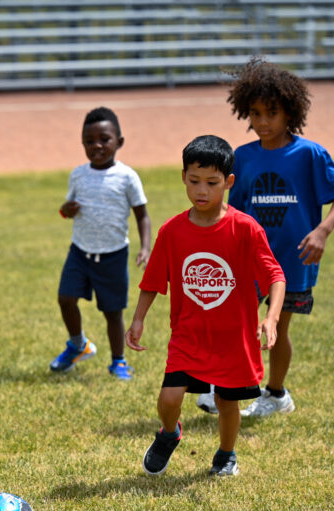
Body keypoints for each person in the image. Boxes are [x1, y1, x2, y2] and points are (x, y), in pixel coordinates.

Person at [196, 57, 334, 416]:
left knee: (279, 329)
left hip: (294, 260)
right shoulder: (243, 157)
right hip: (249, 258)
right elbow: (231, 208)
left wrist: (322, 232)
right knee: (232, 322)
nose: (263, 122)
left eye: (272, 113)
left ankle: (276, 395)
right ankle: (222, 385)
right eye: (255, 113)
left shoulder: (310, 154)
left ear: (290, 112)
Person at [126, 135, 285, 477]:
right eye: (194, 181)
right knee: (170, 398)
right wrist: (138, 319)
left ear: (229, 182)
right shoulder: (172, 231)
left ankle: (226, 454)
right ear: (183, 176)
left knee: (228, 403)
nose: (202, 190)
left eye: (212, 183)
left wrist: (271, 319)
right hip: (189, 335)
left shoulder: (245, 228)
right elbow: (152, 281)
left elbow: (275, 276)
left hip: (233, 339)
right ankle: (169, 434)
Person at [52, 107, 152, 380]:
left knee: (112, 312)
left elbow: (142, 214)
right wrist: (66, 210)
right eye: (89, 140)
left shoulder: (127, 177)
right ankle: (77, 344)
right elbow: (67, 209)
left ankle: (118, 361)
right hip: (80, 252)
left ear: (119, 141)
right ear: (82, 143)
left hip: (113, 255)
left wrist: (145, 247)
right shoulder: (78, 174)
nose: (97, 145)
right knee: (65, 298)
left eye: (104, 139)